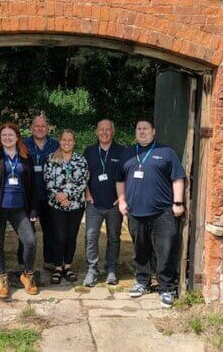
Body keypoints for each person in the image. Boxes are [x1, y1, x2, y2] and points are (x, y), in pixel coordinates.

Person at [116, 118, 185, 308]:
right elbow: (119, 180)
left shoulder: (166, 153)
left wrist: (178, 202)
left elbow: (178, 178)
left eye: (145, 128)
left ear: (153, 132)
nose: (142, 131)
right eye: (138, 128)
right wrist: (122, 201)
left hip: (163, 212)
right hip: (136, 212)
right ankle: (143, 282)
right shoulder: (127, 153)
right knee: (140, 250)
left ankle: (166, 288)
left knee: (165, 250)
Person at [0, 123, 39, 300]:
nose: (7, 138)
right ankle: (2, 279)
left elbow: (33, 186)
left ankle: (27, 275)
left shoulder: (26, 157)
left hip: (19, 208)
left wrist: (33, 209)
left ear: (17, 137)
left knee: (30, 241)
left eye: (10, 135)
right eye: (3, 135)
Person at [82, 119, 125, 287]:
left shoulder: (122, 151)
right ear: (96, 132)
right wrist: (87, 193)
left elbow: (127, 175)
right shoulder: (89, 151)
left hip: (114, 204)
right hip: (94, 203)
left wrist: (122, 197)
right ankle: (92, 270)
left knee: (114, 238)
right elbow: (83, 176)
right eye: (101, 129)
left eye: (108, 129)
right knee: (91, 237)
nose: (105, 132)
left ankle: (111, 269)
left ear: (113, 132)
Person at [44, 129, 89, 284]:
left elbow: (83, 181)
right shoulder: (51, 159)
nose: (67, 142)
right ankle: (57, 267)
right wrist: (60, 196)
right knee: (59, 236)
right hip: (56, 204)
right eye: (64, 140)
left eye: (70, 140)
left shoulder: (81, 160)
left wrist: (68, 195)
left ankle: (67, 266)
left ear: (74, 142)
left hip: (76, 204)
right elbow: (48, 180)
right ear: (60, 141)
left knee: (71, 236)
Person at [23, 115, 59, 270]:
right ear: (31, 128)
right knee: (25, 232)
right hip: (28, 195)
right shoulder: (23, 144)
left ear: (47, 128)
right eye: (36, 126)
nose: (39, 129)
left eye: (43, 126)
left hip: (48, 194)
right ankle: (23, 263)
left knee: (50, 230)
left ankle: (49, 261)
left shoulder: (55, 144)